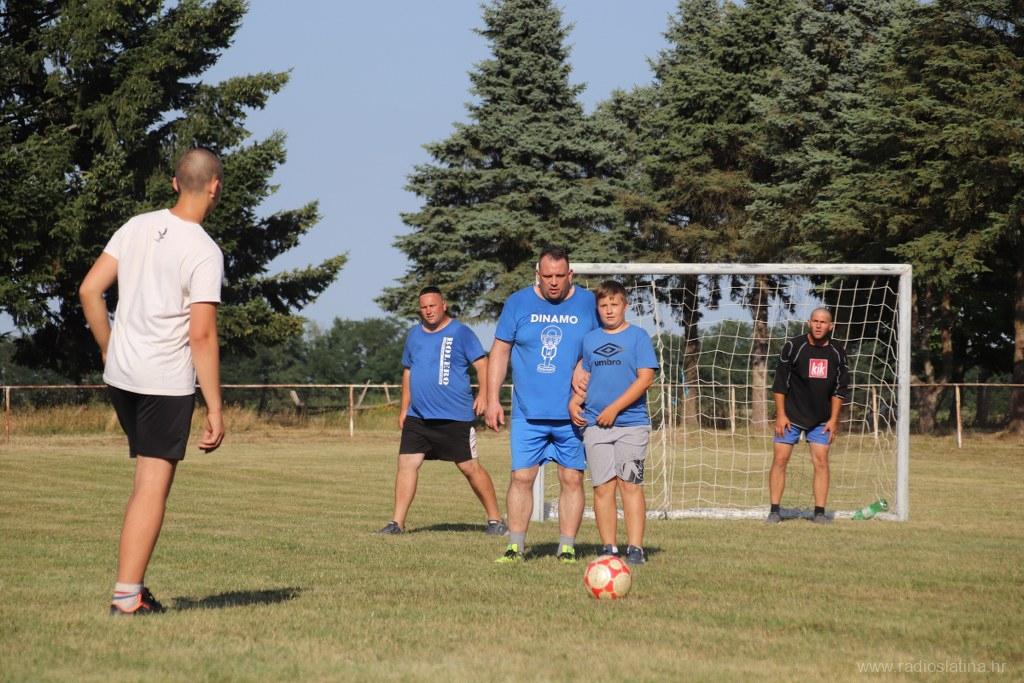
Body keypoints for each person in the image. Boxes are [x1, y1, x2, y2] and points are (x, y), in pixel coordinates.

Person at [79, 148, 226, 616]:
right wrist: (215, 408)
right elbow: (201, 335)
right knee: (150, 487)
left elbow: (89, 289)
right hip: (163, 381)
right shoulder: (205, 251)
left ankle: (133, 590)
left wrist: (108, 347)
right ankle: (126, 598)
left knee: (144, 481)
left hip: (122, 377)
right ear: (215, 187)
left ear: (176, 182)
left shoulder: (136, 225)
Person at [485, 246, 599, 563]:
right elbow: (500, 351)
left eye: (560, 275)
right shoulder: (517, 302)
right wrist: (493, 399)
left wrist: (583, 365)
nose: (553, 282)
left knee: (572, 478)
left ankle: (567, 548)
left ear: (570, 274)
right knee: (522, 478)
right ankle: (515, 548)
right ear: (537, 274)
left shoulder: (589, 303)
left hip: (573, 412)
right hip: (527, 413)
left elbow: (603, 345)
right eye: (547, 276)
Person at [375, 287, 507, 536]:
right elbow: (408, 371)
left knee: (469, 468)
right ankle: (396, 524)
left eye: (432, 305)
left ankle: (496, 520)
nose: (428, 311)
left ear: (443, 305)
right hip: (418, 416)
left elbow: (482, 364)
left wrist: (483, 395)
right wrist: (404, 409)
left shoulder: (461, 332)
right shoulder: (414, 335)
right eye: (424, 307)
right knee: (406, 464)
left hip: (454, 416)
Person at [569, 280, 658, 565]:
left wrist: (614, 409)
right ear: (598, 308)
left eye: (614, 304)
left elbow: (646, 379)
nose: (609, 310)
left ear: (625, 306)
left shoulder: (639, 337)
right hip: (595, 426)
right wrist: (574, 402)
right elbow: (585, 380)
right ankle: (609, 548)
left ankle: (635, 549)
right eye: (603, 305)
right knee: (603, 487)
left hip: (631, 425)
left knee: (629, 484)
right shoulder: (590, 340)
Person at [765, 307, 849, 525]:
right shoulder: (793, 346)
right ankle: (774, 511)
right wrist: (780, 415)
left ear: (831, 326)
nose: (819, 325)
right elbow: (779, 384)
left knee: (821, 461)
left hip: (821, 419)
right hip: (790, 416)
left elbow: (839, 389)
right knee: (780, 459)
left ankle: (819, 513)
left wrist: (833, 420)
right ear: (809, 323)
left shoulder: (838, 351)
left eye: (823, 322)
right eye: (815, 321)